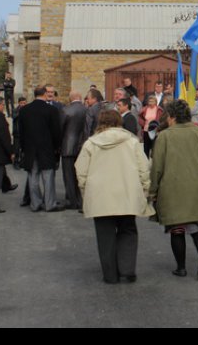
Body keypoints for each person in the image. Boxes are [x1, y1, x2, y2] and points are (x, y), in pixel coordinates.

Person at [149, 100, 198, 281]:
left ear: (172, 117)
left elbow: (157, 167)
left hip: (172, 188)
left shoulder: (164, 137)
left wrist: (153, 191)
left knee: (177, 228)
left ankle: (181, 267)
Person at [75, 109, 152, 284]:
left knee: (105, 235)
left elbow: (81, 172)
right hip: (127, 193)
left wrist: (86, 194)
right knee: (128, 230)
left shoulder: (90, 144)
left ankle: (110, 274)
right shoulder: (131, 142)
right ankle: (127, 269)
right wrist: (145, 191)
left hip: (100, 195)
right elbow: (143, 169)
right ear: (119, 122)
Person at [19, 85, 63, 212]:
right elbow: (56, 131)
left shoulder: (24, 110)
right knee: (48, 176)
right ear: (44, 94)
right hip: (46, 147)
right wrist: (57, 146)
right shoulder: (51, 110)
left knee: (33, 177)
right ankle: (50, 203)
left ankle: (35, 203)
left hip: (30, 147)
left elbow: (21, 131)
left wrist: (22, 147)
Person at [61, 91, 87, 211]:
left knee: (69, 175)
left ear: (70, 98)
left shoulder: (66, 110)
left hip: (68, 145)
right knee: (82, 174)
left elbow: (60, 129)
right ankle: (81, 199)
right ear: (80, 97)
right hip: (83, 146)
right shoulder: (87, 110)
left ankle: (71, 200)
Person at [12, 97, 27, 169]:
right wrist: (20, 111)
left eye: (24, 103)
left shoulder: (27, 110)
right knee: (16, 149)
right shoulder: (15, 110)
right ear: (19, 103)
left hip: (24, 132)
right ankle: (16, 162)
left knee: (23, 148)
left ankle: (22, 162)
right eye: (22, 103)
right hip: (17, 132)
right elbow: (14, 117)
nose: (23, 105)